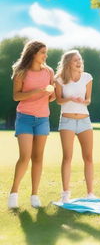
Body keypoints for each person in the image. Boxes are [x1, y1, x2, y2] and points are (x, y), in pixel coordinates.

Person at [8, 40, 55, 208]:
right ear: (33, 53)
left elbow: (52, 97)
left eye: (45, 52)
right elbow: (16, 96)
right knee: (25, 156)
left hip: (43, 119)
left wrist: (52, 93)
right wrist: (37, 91)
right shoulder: (21, 72)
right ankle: (13, 193)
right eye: (43, 52)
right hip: (25, 118)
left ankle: (34, 196)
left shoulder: (49, 71)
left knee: (38, 157)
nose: (45, 55)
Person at [55, 50, 95, 202]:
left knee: (88, 157)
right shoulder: (59, 79)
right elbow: (58, 100)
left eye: (80, 59)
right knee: (67, 157)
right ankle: (65, 193)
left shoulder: (87, 77)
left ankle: (90, 193)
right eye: (75, 60)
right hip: (67, 121)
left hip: (85, 121)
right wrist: (70, 98)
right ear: (67, 63)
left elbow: (88, 99)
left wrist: (84, 101)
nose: (79, 62)